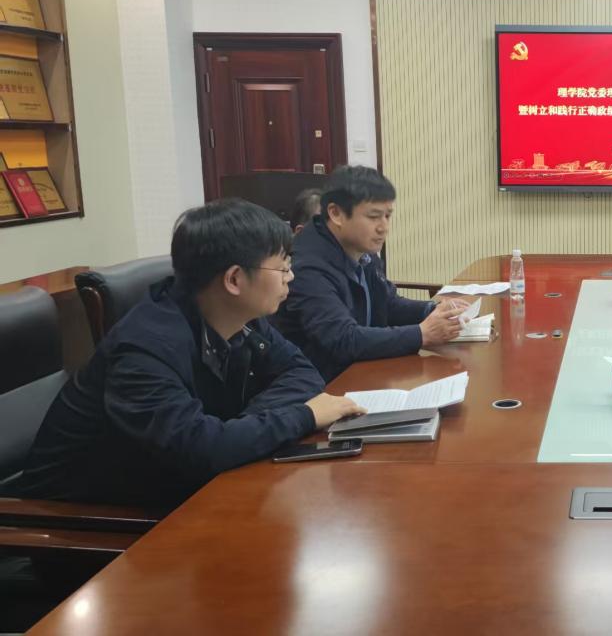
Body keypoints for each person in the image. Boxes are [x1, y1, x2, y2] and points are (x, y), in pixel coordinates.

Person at [16, 199, 365, 510]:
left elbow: (301, 372)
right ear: (234, 280)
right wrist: (302, 416)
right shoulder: (144, 350)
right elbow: (203, 452)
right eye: (282, 267)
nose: (291, 276)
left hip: (177, 490)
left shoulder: (239, 315)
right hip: (82, 525)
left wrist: (240, 431)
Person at [273, 166, 468, 381]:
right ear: (336, 214)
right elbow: (342, 339)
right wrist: (421, 334)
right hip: (324, 384)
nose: (384, 227)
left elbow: (387, 304)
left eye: (387, 216)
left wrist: (433, 310)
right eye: (374, 217)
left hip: (364, 370)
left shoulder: (361, 248)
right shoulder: (307, 266)